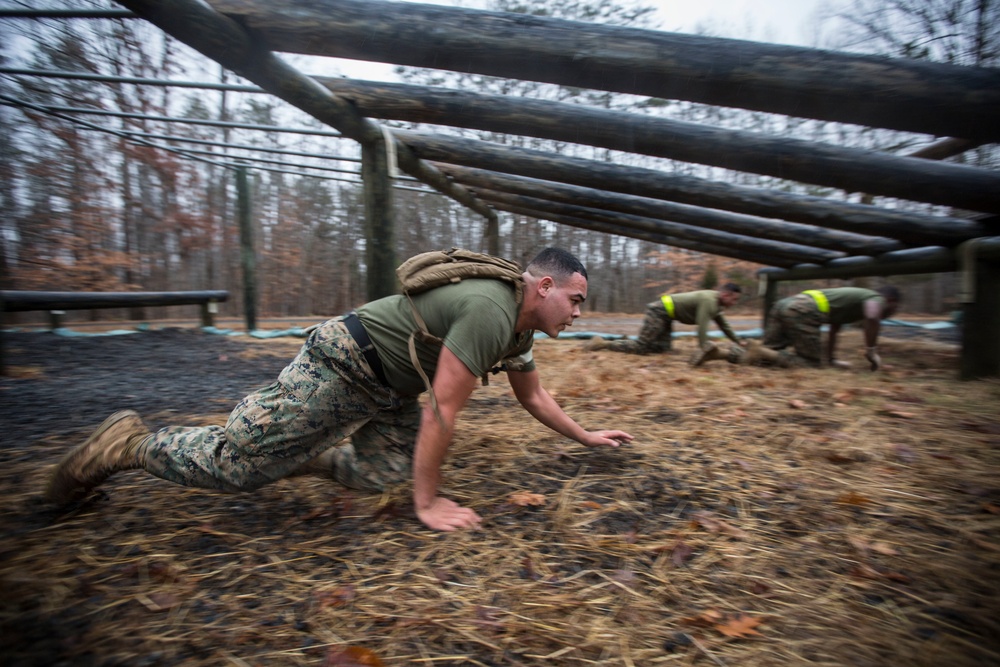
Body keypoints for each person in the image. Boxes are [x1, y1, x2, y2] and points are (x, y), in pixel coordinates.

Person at [44, 248, 634, 532]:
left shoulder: (519, 329)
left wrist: (586, 437)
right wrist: (426, 506)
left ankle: (298, 449)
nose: (579, 313)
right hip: (347, 364)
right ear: (546, 286)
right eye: (576, 300)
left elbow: (533, 397)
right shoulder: (489, 309)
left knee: (384, 473)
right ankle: (128, 445)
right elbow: (443, 413)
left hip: (388, 390)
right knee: (238, 465)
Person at [736, 286, 901, 370]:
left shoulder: (852, 301)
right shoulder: (876, 298)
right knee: (812, 364)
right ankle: (759, 350)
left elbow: (834, 330)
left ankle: (733, 353)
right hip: (803, 308)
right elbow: (872, 317)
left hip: (785, 304)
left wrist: (830, 360)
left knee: (768, 356)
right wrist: (871, 350)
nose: (893, 312)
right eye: (895, 308)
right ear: (891, 301)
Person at [584, 284, 746, 365]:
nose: (735, 303)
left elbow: (724, 325)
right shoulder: (709, 301)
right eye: (734, 299)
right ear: (725, 294)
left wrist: (738, 341)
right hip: (660, 311)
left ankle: (626, 340)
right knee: (641, 347)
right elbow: (702, 327)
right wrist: (705, 350)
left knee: (662, 349)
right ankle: (601, 343)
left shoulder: (716, 304)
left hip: (668, 315)